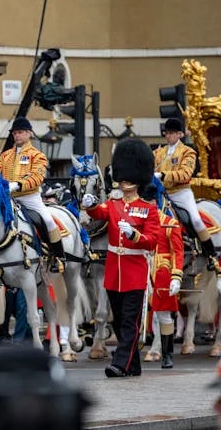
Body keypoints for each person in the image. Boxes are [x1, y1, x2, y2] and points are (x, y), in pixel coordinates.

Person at [81, 138, 159, 378]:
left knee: (129, 322)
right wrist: (90, 205)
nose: (124, 181)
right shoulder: (113, 205)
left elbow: (152, 239)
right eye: (122, 177)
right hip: (114, 273)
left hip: (134, 271)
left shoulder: (148, 208)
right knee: (118, 321)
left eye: (128, 177)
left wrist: (134, 234)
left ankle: (120, 363)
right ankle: (133, 365)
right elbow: (99, 213)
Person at [0, 116, 65, 273]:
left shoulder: (37, 155)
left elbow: (37, 177)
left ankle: (59, 257)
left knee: (48, 221)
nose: (17, 136)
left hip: (29, 197)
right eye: (15, 133)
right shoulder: (5, 156)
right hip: (8, 198)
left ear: (29, 134)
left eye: (20, 132)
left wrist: (18, 185)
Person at [153, 117, 220, 272]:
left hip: (180, 193)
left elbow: (185, 174)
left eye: (171, 133)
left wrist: (163, 175)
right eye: (166, 133)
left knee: (196, 220)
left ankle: (212, 255)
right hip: (161, 193)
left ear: (180, 134)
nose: (168, 136)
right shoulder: (158, 152)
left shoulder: (188, 152)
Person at [140, 185, 182, 369]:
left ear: (154, 202)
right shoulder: (137, 223)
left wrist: (176, 276)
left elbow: (177, 253)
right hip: (140, 270)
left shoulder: (169, 224)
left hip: (161, 272)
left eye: (147, 203)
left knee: (164, 315)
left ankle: (167, 354)